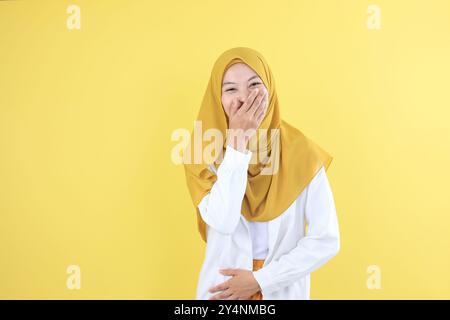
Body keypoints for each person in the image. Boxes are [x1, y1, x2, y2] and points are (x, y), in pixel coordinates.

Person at [183, 47, 340, 300]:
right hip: (221, 294)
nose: (244, 99)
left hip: (283, 292)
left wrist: (261, 280)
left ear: (270, 88)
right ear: (216, 97)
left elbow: (326, 239)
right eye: (230, 89)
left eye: (254, 84)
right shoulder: (200, 152)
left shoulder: (302, 153)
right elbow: (223, 221)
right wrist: (237, 144)